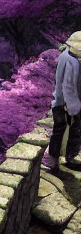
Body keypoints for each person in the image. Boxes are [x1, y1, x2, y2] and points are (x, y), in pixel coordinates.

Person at [45, 32, 81, 172]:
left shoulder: (70, 57)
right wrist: (74, 107)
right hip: (63, 103)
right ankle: (55, 160)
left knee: (69, 130)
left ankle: (65, 158)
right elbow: (68, 86)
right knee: (62, 130)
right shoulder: (69, 60)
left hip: (68, 102)